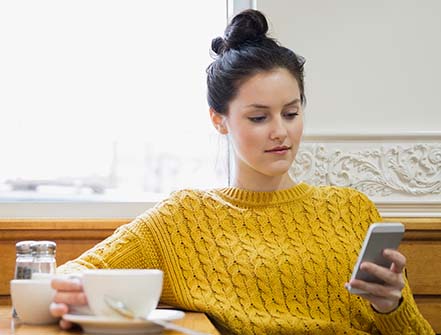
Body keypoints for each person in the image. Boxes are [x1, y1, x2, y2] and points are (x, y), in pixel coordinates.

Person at [50, 9, 434, 335]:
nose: (280, 131)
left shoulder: (352, 210)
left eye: (291, 113)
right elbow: (72, 275)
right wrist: (82, 299)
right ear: (219, 120)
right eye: (258, 117)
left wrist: (391, 305)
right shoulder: (184, 219)